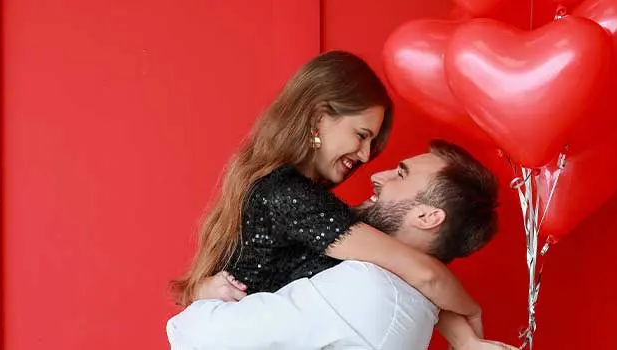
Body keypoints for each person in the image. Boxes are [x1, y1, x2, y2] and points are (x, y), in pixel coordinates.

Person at [169, 51, 489, 341]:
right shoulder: (289, 196)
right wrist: (472, 317)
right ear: (319, 117)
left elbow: (411, 270)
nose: (365, 156)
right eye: (361, 136)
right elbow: (424, 273)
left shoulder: (298, 198)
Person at [167, 141, 508, 349]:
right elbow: (426, 275)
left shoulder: (364, 288)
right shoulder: (421, 304)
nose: (377, 174)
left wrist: (202, 298)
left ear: (427, 217)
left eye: (401, 175)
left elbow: (196, 336)